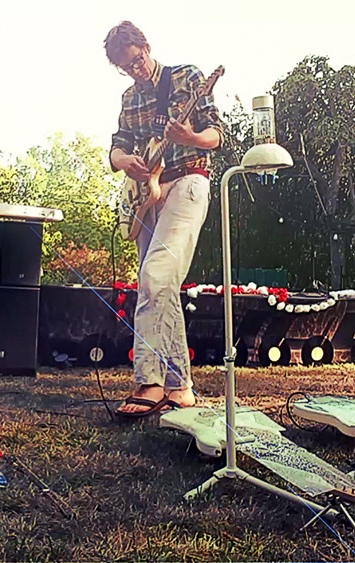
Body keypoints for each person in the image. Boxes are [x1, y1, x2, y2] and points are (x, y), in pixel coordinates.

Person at [105, 21, 226, 417]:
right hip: (148, 195)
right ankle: (180, 387)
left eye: (137, 60)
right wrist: (127, 163)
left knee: (154, 276)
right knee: (163, 287)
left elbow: (216, 136)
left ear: (146, 47)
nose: (136, 70)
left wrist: (189, 137)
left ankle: (148, 381)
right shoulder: (128, 99)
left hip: (188, 181)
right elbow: (117, 149)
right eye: (127, 67)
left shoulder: (186, 78)